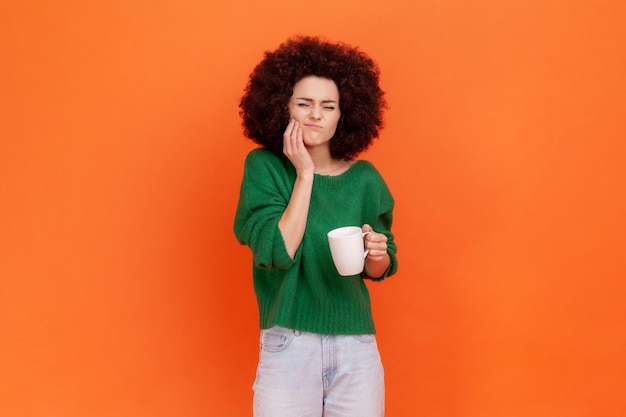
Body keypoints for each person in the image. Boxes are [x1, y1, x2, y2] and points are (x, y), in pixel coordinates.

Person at [234, 35, 398, 417]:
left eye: (329, 105)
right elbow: (278, 251)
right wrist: (305, 173)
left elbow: (380, 267)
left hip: (356, 347)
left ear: (345, 113)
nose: (315, 115)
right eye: (303, 103)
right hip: (290, 345)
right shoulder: (265, 168)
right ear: (282, 107)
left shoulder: (365, 179)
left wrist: (377, 252)